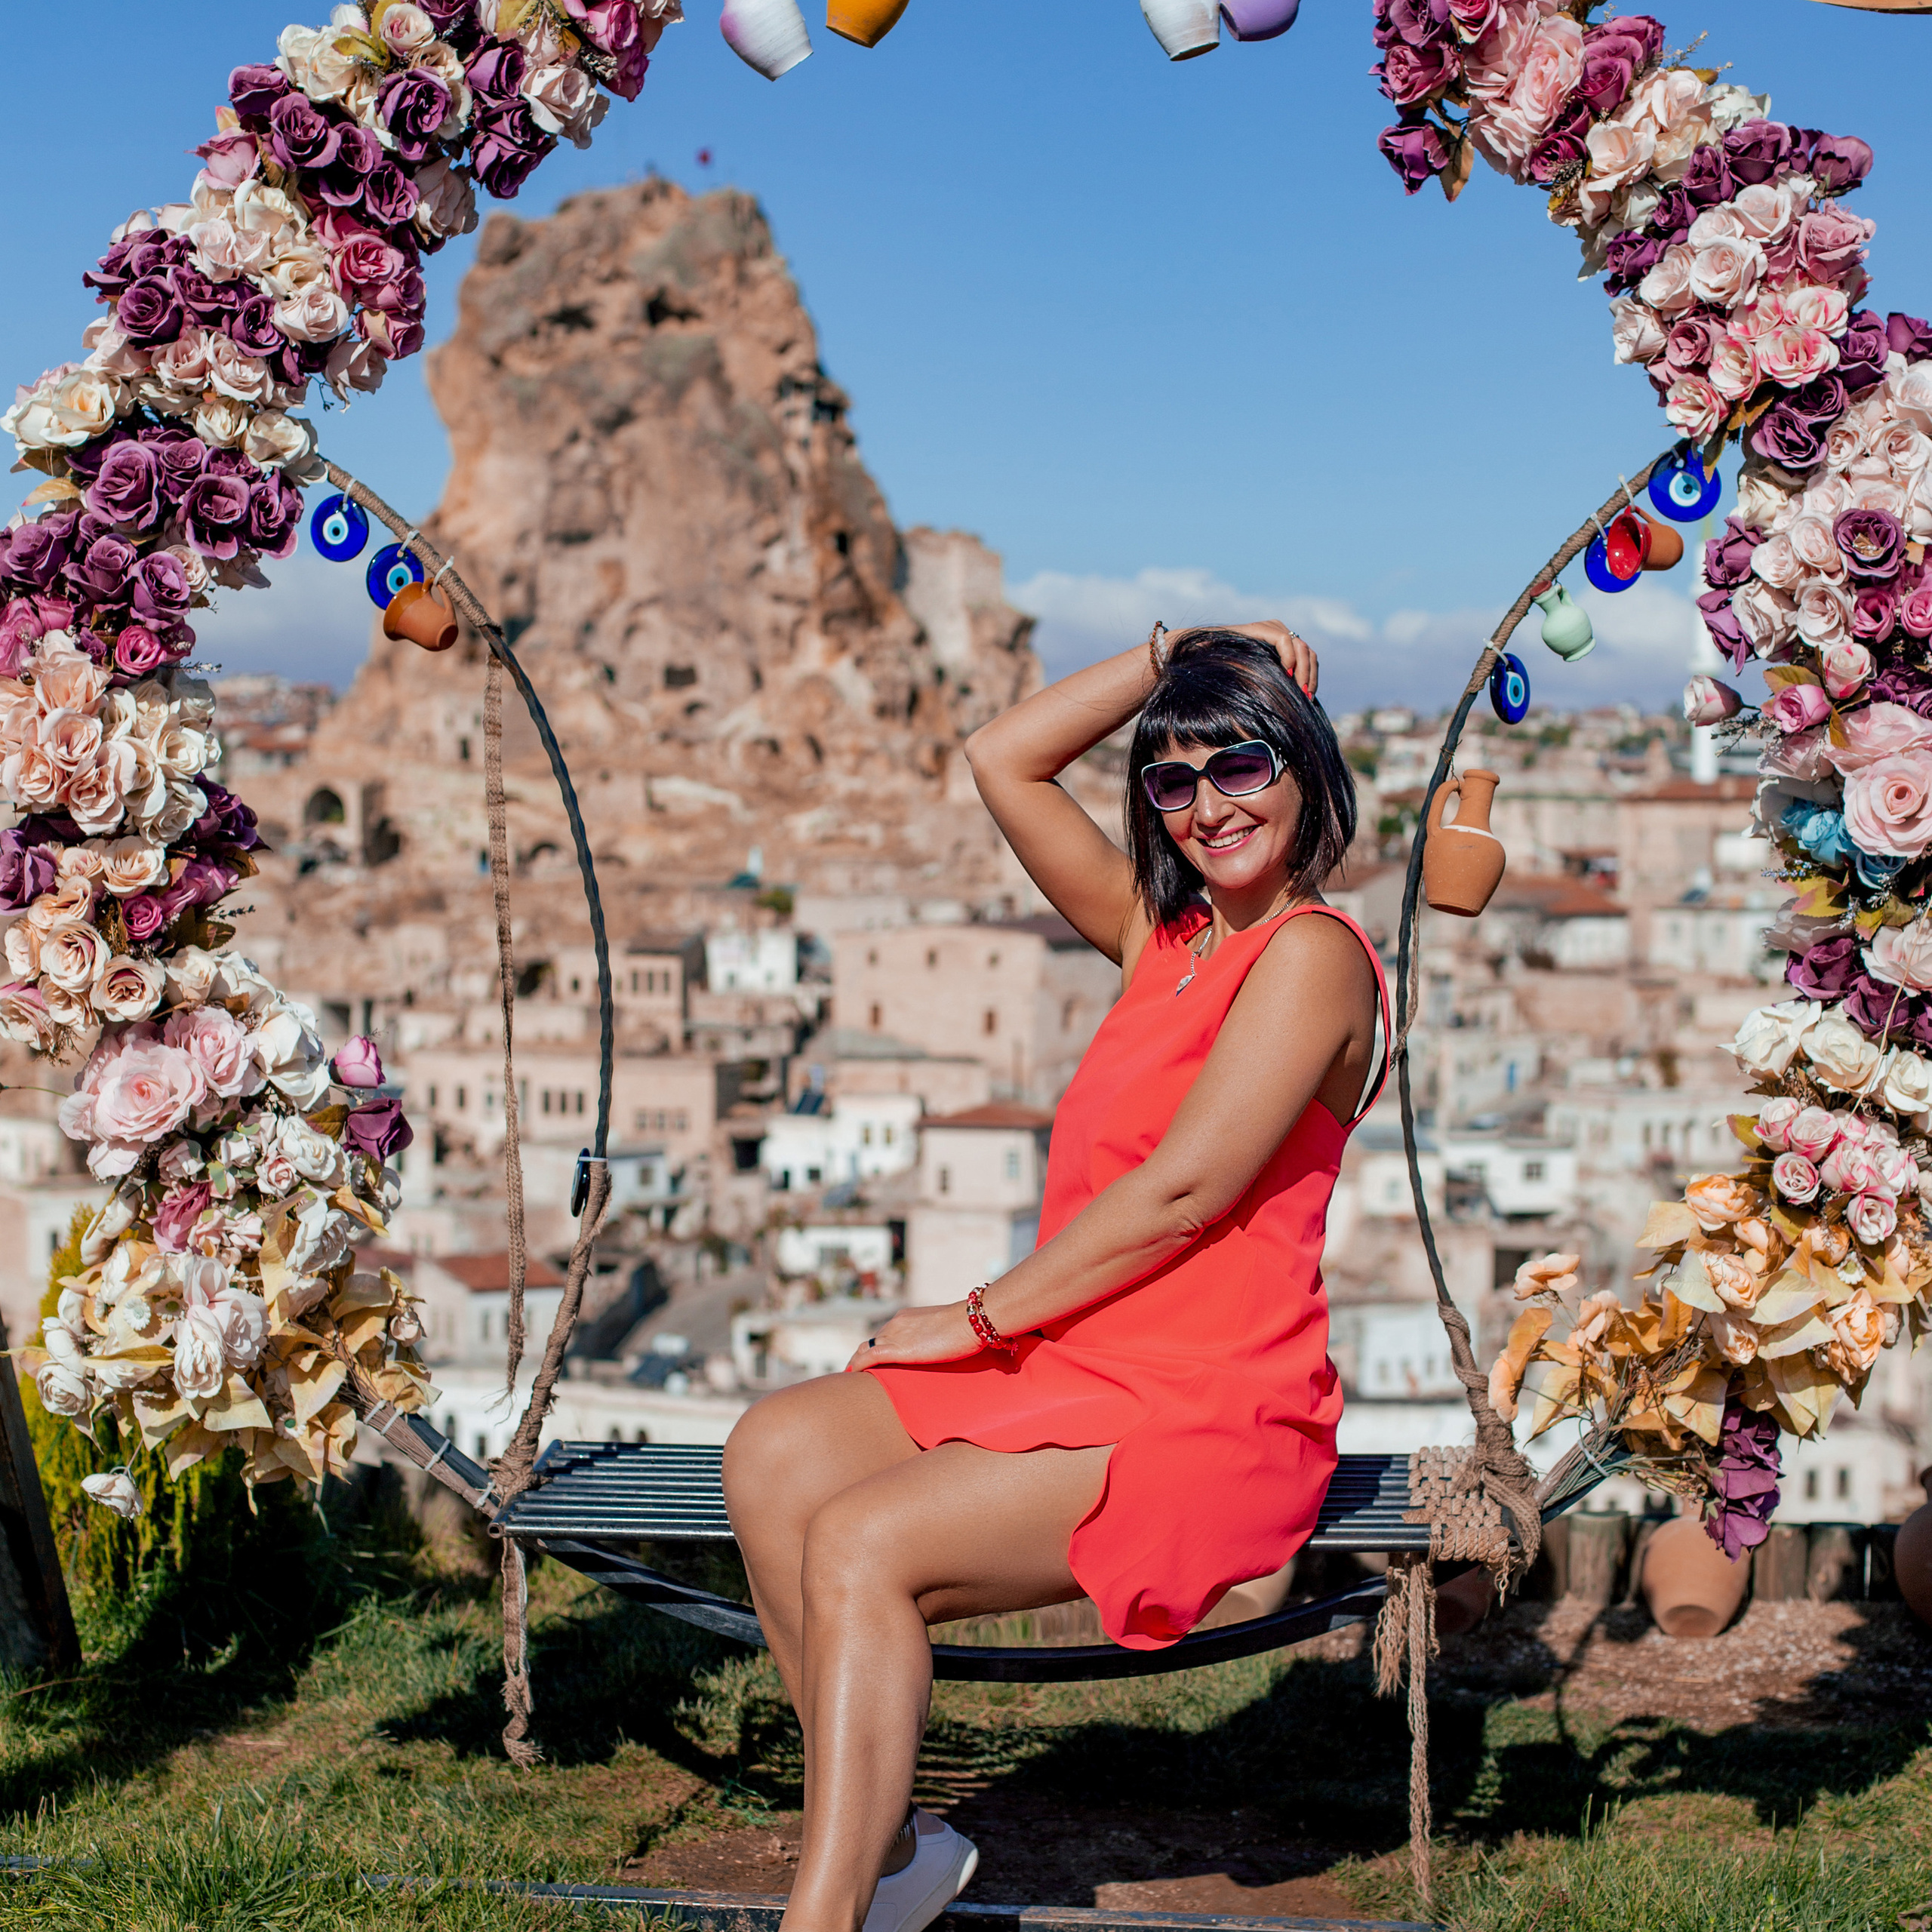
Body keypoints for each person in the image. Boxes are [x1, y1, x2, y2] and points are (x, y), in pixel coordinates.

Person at [722, 622, 1387, 1932]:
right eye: (1172, 781)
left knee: (861, 1543)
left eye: (1241, 763)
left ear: (1306, 766)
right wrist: (1177, 656)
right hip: (1079, 1354)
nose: (1207, 806)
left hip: (1208, 1400)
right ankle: (896, 1849)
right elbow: (1003, 759)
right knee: (775, 1454)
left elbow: (1184, 1195)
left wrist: (967, 1319)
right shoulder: (1165, 940)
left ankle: (828, 1911)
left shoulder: (1313, 955)